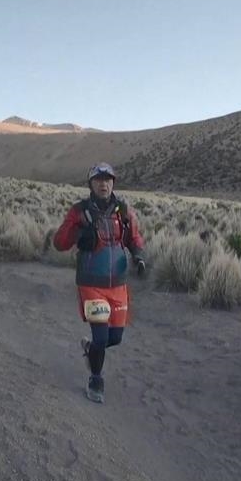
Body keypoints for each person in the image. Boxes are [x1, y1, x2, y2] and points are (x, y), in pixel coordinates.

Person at [53, 162, 146, 403]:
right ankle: (96, 378)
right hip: (91, 284)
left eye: (108, 179)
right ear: (91, 184)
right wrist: (78, 234)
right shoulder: (79, 211)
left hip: (118, 285)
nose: (103, 184)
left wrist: (139, 256)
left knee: (115, 338)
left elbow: (134, 238)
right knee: (102, 337)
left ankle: (91, 350)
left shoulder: (123, 211)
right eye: (98, 180)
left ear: (113, 182)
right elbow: (59, 242)